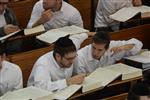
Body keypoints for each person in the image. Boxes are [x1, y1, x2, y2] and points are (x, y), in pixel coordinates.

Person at [27, 32, 93, 92]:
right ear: (58, 56)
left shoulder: (71, 50)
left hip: (64, 92)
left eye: (74, 57)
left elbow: (78, 38)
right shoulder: (43, 64)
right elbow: (41, 88)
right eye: (69, 59)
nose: (72, 61)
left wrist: (89, 34)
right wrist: (68, 82)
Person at [74, 31, 143, 74]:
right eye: (93, 48)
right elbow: (80, 78)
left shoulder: (112, 47)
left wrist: (123, 47)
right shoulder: (80, 56)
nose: (95, 53)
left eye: (100, 50)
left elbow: (137, 43)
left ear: (107, 48)